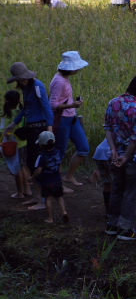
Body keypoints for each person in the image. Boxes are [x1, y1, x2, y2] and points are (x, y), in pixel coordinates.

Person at [104, 74, 136, 240]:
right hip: (133, 157)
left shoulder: (113, 102)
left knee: (117, 189)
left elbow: (108, 128)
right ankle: (125, 229)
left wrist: (114, 151)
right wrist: (126, 156)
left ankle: (112, 224)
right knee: (131, 193)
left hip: (115, 154)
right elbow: (135, 136)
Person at [5, 62, 54, 211]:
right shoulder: (26, 89)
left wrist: (50, 131)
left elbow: (47, 108)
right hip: (31, 130)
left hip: (40, 129)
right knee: (31, 162)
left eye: (21, 79)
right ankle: (38, 197)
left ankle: (44, 200)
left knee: (38, 163)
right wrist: (13, 123)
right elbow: (25, 110)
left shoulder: (38, 86)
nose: (20, 82)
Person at [49, 51, 90, 187]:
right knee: (59, 153)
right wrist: (72, 105)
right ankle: (58, 183)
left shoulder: (63, 79)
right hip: (63, 120)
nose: (78, 69)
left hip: (71, 118)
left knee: (83, 148)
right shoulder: (59, 82)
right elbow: (53, 104)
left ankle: (68, 176)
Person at [29, 131, 68, 224]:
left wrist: (32, 178)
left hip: (47, 182)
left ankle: (50, 218)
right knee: (59, 197)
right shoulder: (58, 152)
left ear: (41, 145)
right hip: (57, 180)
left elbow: (38, 170)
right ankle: (64, 211)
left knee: (48, 199)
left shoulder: (42, 157)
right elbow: (59, 165)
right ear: (54, 142)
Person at [2, 90, 30, 200]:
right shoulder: (22, 112)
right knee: (23, 166)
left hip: (13, 145)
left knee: (16, 168)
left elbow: (2, 131)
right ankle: (27, 189)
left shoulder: (6, 115)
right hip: (24, 143)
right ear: (19, 100)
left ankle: (20, 192)